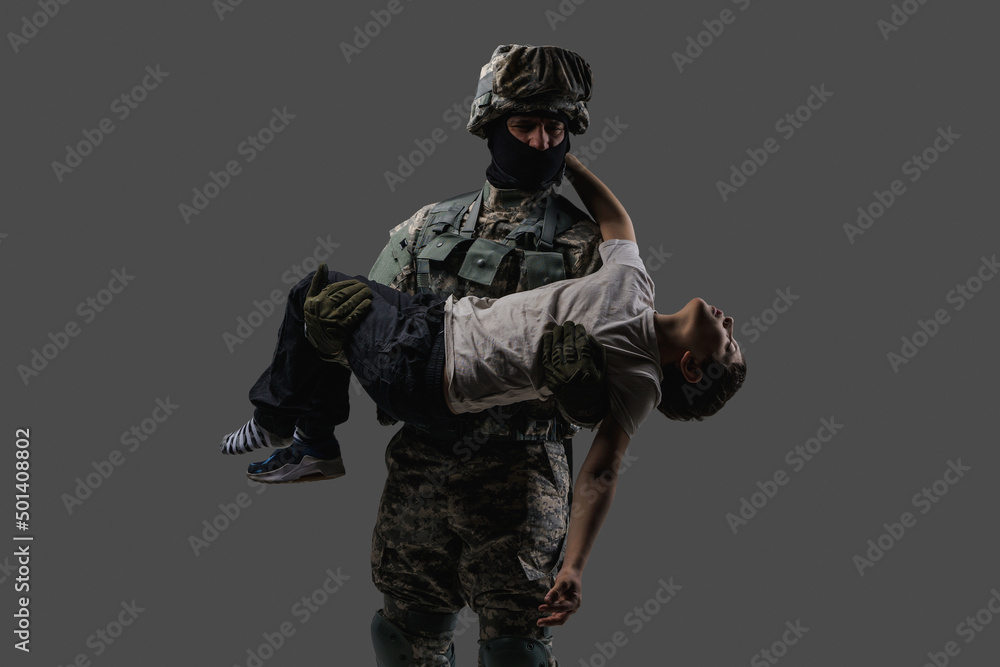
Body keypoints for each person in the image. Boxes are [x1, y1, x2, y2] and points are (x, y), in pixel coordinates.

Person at [219, 45, 709, 666]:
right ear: (491, 126)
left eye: (555, 128)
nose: (541, 142)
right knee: (404, 636)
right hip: (422, 467)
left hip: (522, 480)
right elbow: (368, 349)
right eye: (524, 125)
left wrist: (582, 395)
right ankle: (303, 439)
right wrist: (326, 335)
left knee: (516, 647)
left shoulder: (590, 251)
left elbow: (613, 408)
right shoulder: (425, 228)